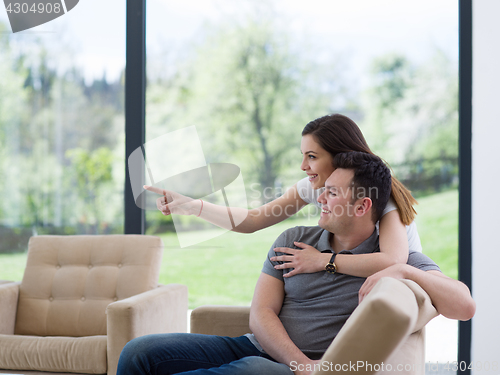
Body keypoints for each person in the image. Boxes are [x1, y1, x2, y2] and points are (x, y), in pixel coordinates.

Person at [119, 152, 475, 375]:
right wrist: (298, 363)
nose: (318, 197)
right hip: (263, 348)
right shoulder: (292, 240)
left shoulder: (393, 257)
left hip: (302, 364)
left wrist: (403, 269)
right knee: (139, 352)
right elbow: (261, 314)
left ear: (363, 207)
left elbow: (464, 306)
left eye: (331, 193)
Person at [145, 114, 418, 278]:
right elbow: (253, 219)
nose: (303, 166)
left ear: (340, 157)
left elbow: (394, 261)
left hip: (402, 282)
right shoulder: (313, 187)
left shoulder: (376, 195)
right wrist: (193, 206)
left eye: (312, 157)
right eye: (303, 155)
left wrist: (323, 261)